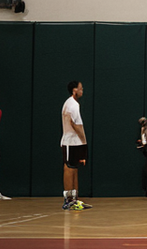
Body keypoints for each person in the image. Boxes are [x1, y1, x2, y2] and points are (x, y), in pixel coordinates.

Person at [61, 81, 90, 210]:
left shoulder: (74, 104)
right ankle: (68, 200)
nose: (82, 90)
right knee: (68, 167)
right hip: (69, 142)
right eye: (80, 88)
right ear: (74, 90)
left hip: (76, 142)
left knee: (75, 168)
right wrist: (84, 140)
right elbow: (76, 124)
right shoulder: (71, 104)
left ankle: (75, 199)